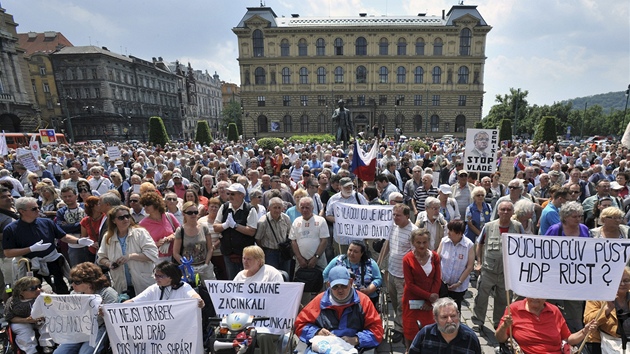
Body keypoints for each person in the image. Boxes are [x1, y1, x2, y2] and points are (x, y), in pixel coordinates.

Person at [3, 197, 92, 294]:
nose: (38, 210)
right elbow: (8, 253)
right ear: (22, 211)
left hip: (51, 260)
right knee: (31, 291)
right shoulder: (11, 229)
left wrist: (79, 241)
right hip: (29, 265)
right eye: (34, 209)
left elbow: (63, 236)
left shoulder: (47, 222)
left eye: (38, 207)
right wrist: (31, 249)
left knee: (60, 287)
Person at [294, 266, 383, 353]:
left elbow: (377, 331)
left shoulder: (363, 301)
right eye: (335, 287)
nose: (340, 290)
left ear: (351, 282)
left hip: (354, 347)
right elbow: (300, 325)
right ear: (329, 285)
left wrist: (356, 339)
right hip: (324, 347)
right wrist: (316, 332)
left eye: (344, 286)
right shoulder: (319, 301)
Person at [472, 201, 524, 331]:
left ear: (513, 212)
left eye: (508, 210)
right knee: (481, 298)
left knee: (503, 299)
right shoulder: (488, 226)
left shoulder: (518, 227)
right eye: (503, 209)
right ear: (498, 211)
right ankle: (478, 322)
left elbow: (524, 246)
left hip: (507, 273)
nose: (505, 212)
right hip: (488, 270)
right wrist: (479, 262)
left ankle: (498, 323)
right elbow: (480, 244)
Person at [53, 262, 118, 354]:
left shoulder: (107, 293)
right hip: (79, 330)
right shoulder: (74, 294)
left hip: (98, 328)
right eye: (72, 281)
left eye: (77, 282)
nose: (73, 285)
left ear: (90, 282)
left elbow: (114, 317)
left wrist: (104, 312)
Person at [495, 297, 597, 354]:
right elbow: (500, 338)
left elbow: (568, 339)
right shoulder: (514, 309)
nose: (535, 298)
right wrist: (504, 326)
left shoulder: (554, 311)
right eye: (532, 294)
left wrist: (585, 331)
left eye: (539, 294)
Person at [97, 205, 159, 297]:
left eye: (127, 216)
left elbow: (153, 254)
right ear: (114, 221)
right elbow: (101, 258)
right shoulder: (108, 237)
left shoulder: (140, 233)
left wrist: (130, 256)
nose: (126, 219)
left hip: (143, 283)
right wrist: (109, 264)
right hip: (120, 285)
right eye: (121, 218)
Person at [233, 245, 284, 354]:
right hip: (243, 320)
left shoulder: (272, 274)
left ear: (259, 261)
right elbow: (232, 297)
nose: (245, 262)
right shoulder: (239, 276)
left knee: (263, 336)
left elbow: (279, 299)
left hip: (267, 322)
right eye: (244, 258)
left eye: (249, 259)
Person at [377, 203, 417, 343]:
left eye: (398, 215)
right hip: (392, 272)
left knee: (402, 303)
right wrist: (379, 265)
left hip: (404, 276)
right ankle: (401, 322)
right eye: (393, 215)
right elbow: (387, 245)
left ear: (407, 216)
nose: (395, 218)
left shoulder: (413, 231)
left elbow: (415, 255)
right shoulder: (393, 226)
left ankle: (400, 329)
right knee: (394, 301)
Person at [402, 228, 443, 348]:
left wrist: (431, 299)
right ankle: (409, 350)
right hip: (412, 300)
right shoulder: (407, 259)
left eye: (424, 242)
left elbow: (437, 279)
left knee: (428, 328)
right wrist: (428, 296)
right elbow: (409, 284)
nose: (421, 245)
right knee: (411, 329)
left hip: (429, 302)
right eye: (418, 242)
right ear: (413, 243)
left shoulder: (434, 257)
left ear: (429, 242)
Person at [213, 183, 258, 280]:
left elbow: (251, 231)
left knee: (247, 279)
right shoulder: (224, 207)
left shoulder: (250, 209)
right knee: (232, 280)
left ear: (242, 195)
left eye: (233, 194)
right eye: (229, 194)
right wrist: (225, 225)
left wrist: (235, 226)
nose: (230, 196)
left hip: (245, 255)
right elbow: (216, 227)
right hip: (228, 253)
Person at [290, 196, 329, 305]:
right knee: (302, 289)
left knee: (321, 285)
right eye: (302, 207)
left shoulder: (320, 221)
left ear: (312, 208)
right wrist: (299, 258)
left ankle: (322, 307)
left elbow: (324, 240)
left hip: (318, 261)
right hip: (300, 262)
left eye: (307, 207)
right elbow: (293, 241)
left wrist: (315, 257)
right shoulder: (296, 222)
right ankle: (303, 309)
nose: (304, 210)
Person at [408, 297, 481, 354]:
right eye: (444, 317)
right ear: (435, 318)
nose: (450, 320)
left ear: (458, 315)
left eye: (453, 316)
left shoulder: (470, 338)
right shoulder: (425, 334)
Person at [583, 266, 630, 353]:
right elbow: (588, 320)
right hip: (606, 340)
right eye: (618, 280)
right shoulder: (597, 296)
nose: (622, 283)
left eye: (626, 280)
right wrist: (607, 309)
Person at [323, 240, 382, 307]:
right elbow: (325, 274)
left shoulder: (370, 263)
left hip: (365, 297)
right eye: (350, 250)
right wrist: (333, 287)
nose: (351, 253)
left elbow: (378, 279)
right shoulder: (338, 260)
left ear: (362, 253)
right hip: (341, 296)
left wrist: (368, 290)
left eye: (355, 252)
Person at [4, 276, 54, 354]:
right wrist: (26, 320)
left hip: (41, 319)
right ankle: (31, 351)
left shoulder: (45, 296)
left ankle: (48, 345)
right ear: (21, 291)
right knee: (25, 331)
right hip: (21, 321)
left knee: (47, 324)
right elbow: (9, 317)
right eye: (33, 288)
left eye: (39, 286)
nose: (38, 289)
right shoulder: (12, 301)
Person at [126, 261, 204, 307]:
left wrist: (199, 301)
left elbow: (194, 296)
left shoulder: (183, 287)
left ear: (171, 277)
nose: (156, 278)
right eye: (155, 275)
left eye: (160, 276)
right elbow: (134, 301)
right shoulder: (154, 288)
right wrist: (118, 307)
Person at [172, 201, 216, 283]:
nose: (193, 215)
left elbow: (210, 248)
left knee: (210, 291)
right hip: (188, 269)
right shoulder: (180, 230)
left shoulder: (204, 227)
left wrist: (206, 264)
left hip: (205, 267)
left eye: (195, 212)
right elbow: (176, 253)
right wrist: (186, 266)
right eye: (190, 213)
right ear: (184, 214)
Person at [437, 220, 474, 312]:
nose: (448, 232)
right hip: (442, 284)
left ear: (459, 233)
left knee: (455, 310)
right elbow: (437, 261)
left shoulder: (469, 245)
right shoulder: (444, 241)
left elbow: (469, 267)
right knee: (441, 308)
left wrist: (459, 282)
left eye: (450, 230)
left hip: (459, 286)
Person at [139, 192, 180, 263]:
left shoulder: (169, 216)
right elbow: (141, 244)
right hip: (156, 259)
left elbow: (180, 231)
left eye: (148, 204)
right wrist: (157, 243)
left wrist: (172, 236)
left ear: (156, 204)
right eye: (144, 205)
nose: (145, 207)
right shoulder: (143, 223)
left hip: (173, 257)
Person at [255, 197, 292, 275]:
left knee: (285, 275)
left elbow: (290, 233)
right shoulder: (263, 221)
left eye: (279, 207)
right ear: (269, 208)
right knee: (271, 275)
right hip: (270, 253)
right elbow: (258, 239)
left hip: (284, 251)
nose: (277, 210)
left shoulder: (286, 218)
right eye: (275, 207)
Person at [198, 197, 227, 280]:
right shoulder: (201, 221)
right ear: (208, 207)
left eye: (216, 207)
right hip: (206, 255)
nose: (213, 208)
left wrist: (214, 246)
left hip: (220, 254)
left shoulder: (222, 221)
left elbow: (223, 235)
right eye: (212, 206)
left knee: (222, 276)